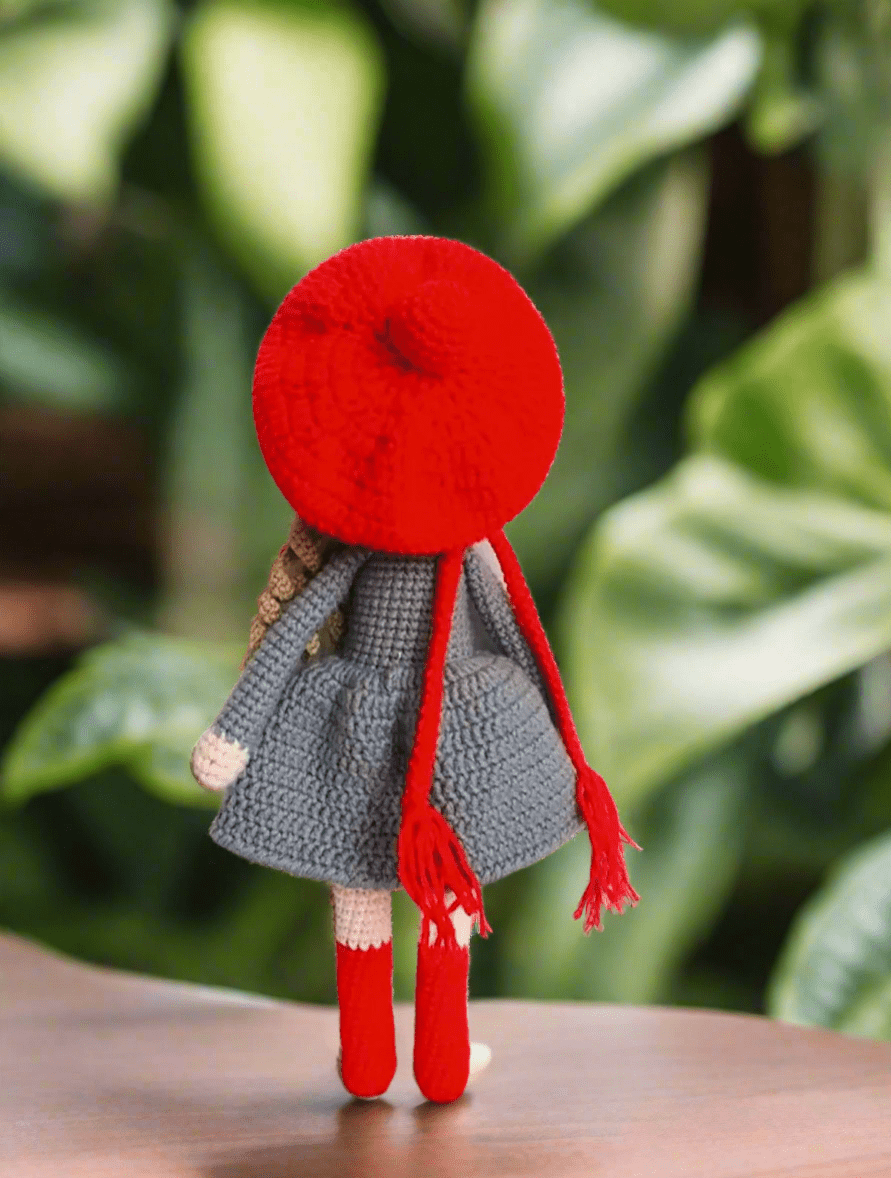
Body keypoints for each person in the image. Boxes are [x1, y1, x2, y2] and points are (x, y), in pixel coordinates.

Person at [190, 235, 637, 1104]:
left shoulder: (357, 553)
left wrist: (232, 733)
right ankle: (435, 1061)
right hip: (454, 745)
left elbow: (294, 629)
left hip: (352, 728)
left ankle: (370, 1063)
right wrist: (567, 752)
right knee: (447, 899)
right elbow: (517, 636)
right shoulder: (472, 553)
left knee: (359, 894)